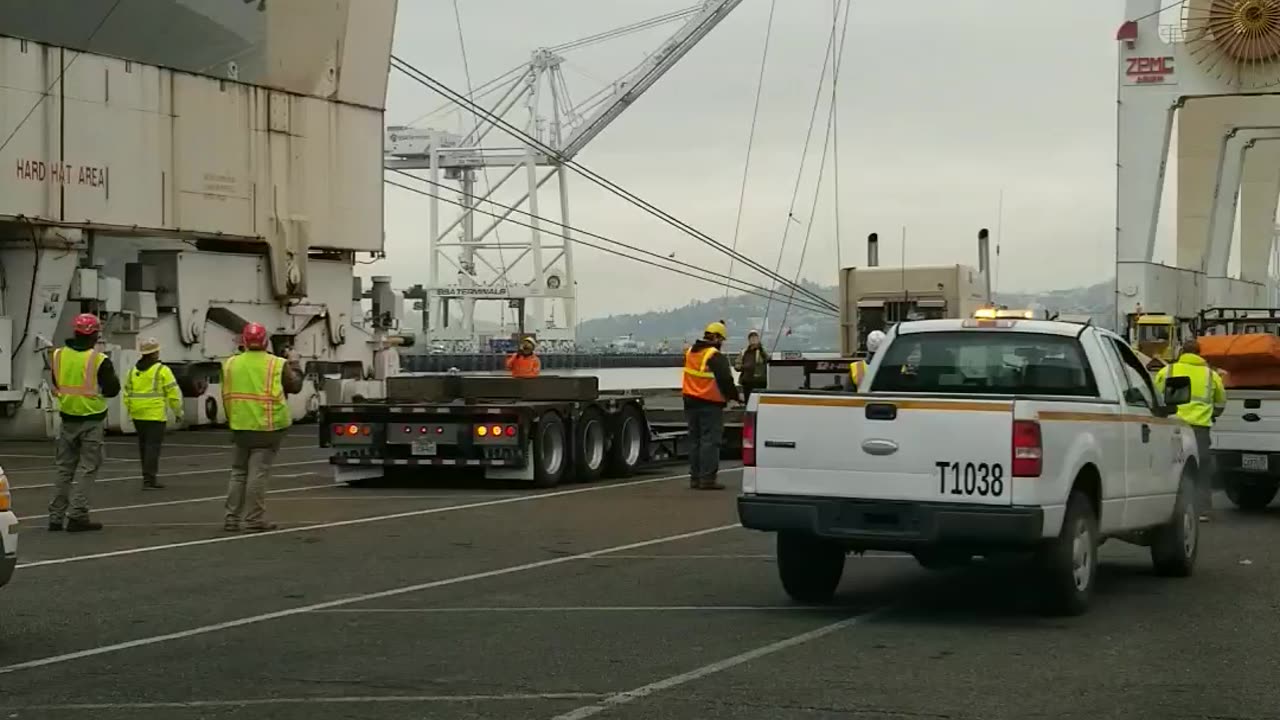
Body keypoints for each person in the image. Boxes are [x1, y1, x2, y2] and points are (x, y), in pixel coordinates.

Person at [221, 323, 304, 532]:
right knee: (257, 473)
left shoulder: (230, 364)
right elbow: (294, 386)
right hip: (268, 425)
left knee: (238, 472)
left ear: (245, 342)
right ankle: (254, 519)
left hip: (240, 424)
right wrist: (295, 364)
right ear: (266, 341)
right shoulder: (276, 364)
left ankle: (231, 518)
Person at [49, 312, 121, 532]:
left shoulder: (58, 355)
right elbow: (112, 389)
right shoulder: (98, 360)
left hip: (67, 418)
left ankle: (55, 516)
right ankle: (78, 515)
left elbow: (55, 381)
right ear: (95, 335)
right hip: (91, 419)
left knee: (64, 469)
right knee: (88, 468)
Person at [1153, 338, 1227, 522]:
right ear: (1199, 353)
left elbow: (1154, 397)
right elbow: (1221, 402)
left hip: (1173, 426)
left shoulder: (1167, 371)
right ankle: (1201, 510)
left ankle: (1168, 509)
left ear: (1181, 352)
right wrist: (1211, 415)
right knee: (1201, 468)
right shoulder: (1211, 375)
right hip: (1199, 429)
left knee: (1171, 467)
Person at [683, 321, 740, 491]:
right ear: (716, 337)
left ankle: (695, 478)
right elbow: (725, 380)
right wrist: (734, 397)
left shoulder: (691, 352)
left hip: (690, 401)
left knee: (695, 441)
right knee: (710, 442)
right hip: (710, 403)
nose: (722, 343)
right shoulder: (714, 355)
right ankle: (707, 479)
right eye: (721, 339)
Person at [123, 337, 184, 490]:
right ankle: (149, 480)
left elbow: (126, 393)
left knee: (143, 447)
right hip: (155, 415)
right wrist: (178, 412)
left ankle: (147, 476)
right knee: (152, 447)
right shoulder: (162, 370)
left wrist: (131, 410)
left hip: (138, 414)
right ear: (155, 353)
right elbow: (173, 393)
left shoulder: (132, 371)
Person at [735, 330, 769, 403]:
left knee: (759, 402)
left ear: (758, 339)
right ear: (749, 340)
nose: (753, 339)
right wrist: (743, 367)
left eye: (755, 337)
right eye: (751, 337)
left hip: (760, 382)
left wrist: (760, 349)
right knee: (748, 402)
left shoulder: (762, 350)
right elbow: (737, 365)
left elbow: (768, 360)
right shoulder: (744, 351)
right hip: (747, 382)